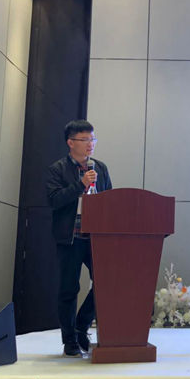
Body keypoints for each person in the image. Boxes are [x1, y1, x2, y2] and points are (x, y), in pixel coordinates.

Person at [46, 120, 112, 356]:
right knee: (68, 289)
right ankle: (70, 341)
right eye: (85, 140)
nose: (90, 144)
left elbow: (109, 200)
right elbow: (54, 200)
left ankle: (81, 327)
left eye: (93, 139)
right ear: (71, 142)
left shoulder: (100, 168)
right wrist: (80, 185)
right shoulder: (57, 169)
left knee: (105, 281)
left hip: (95, 237)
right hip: (71, 237)